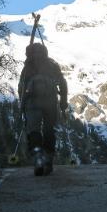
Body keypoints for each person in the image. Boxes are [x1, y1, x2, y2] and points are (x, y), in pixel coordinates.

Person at [18, 42, 68, 176]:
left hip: (32, 103)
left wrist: (22, 106)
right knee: (49, 130)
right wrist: (63, 103)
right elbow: (63, 83)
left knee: (34, 131)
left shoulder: (27, 67)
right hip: (50, 102)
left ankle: (38, 160)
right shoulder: (52, 65)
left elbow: (22, 87)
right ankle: (48, 161)